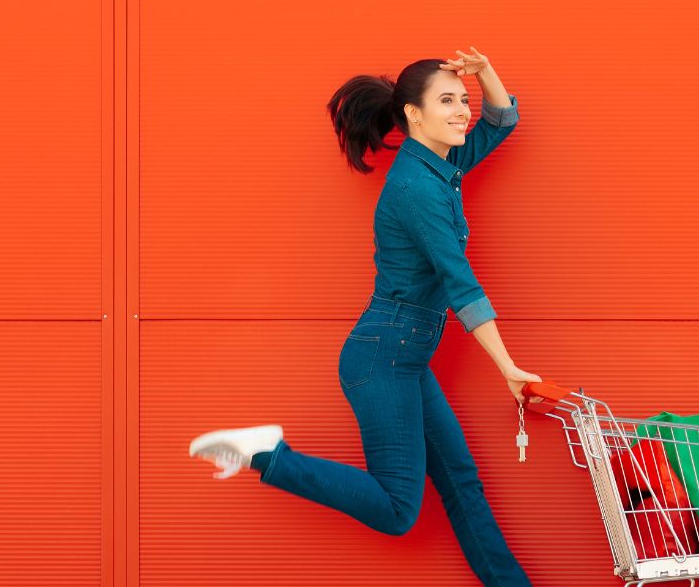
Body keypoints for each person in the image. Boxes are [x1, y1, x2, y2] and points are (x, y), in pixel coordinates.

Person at [188, 47, 541, 586]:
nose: (462, 111)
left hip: (403, 358)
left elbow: (502, 120)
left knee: (461, 481)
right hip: (384, 357)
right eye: (447, 102)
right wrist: (508, 368)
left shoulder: (439, 164)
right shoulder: (418, 188)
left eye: (463, 101)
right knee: (400, 510)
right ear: (414, 116)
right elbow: (459, 282)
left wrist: (485, 71)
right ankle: (267, 455)